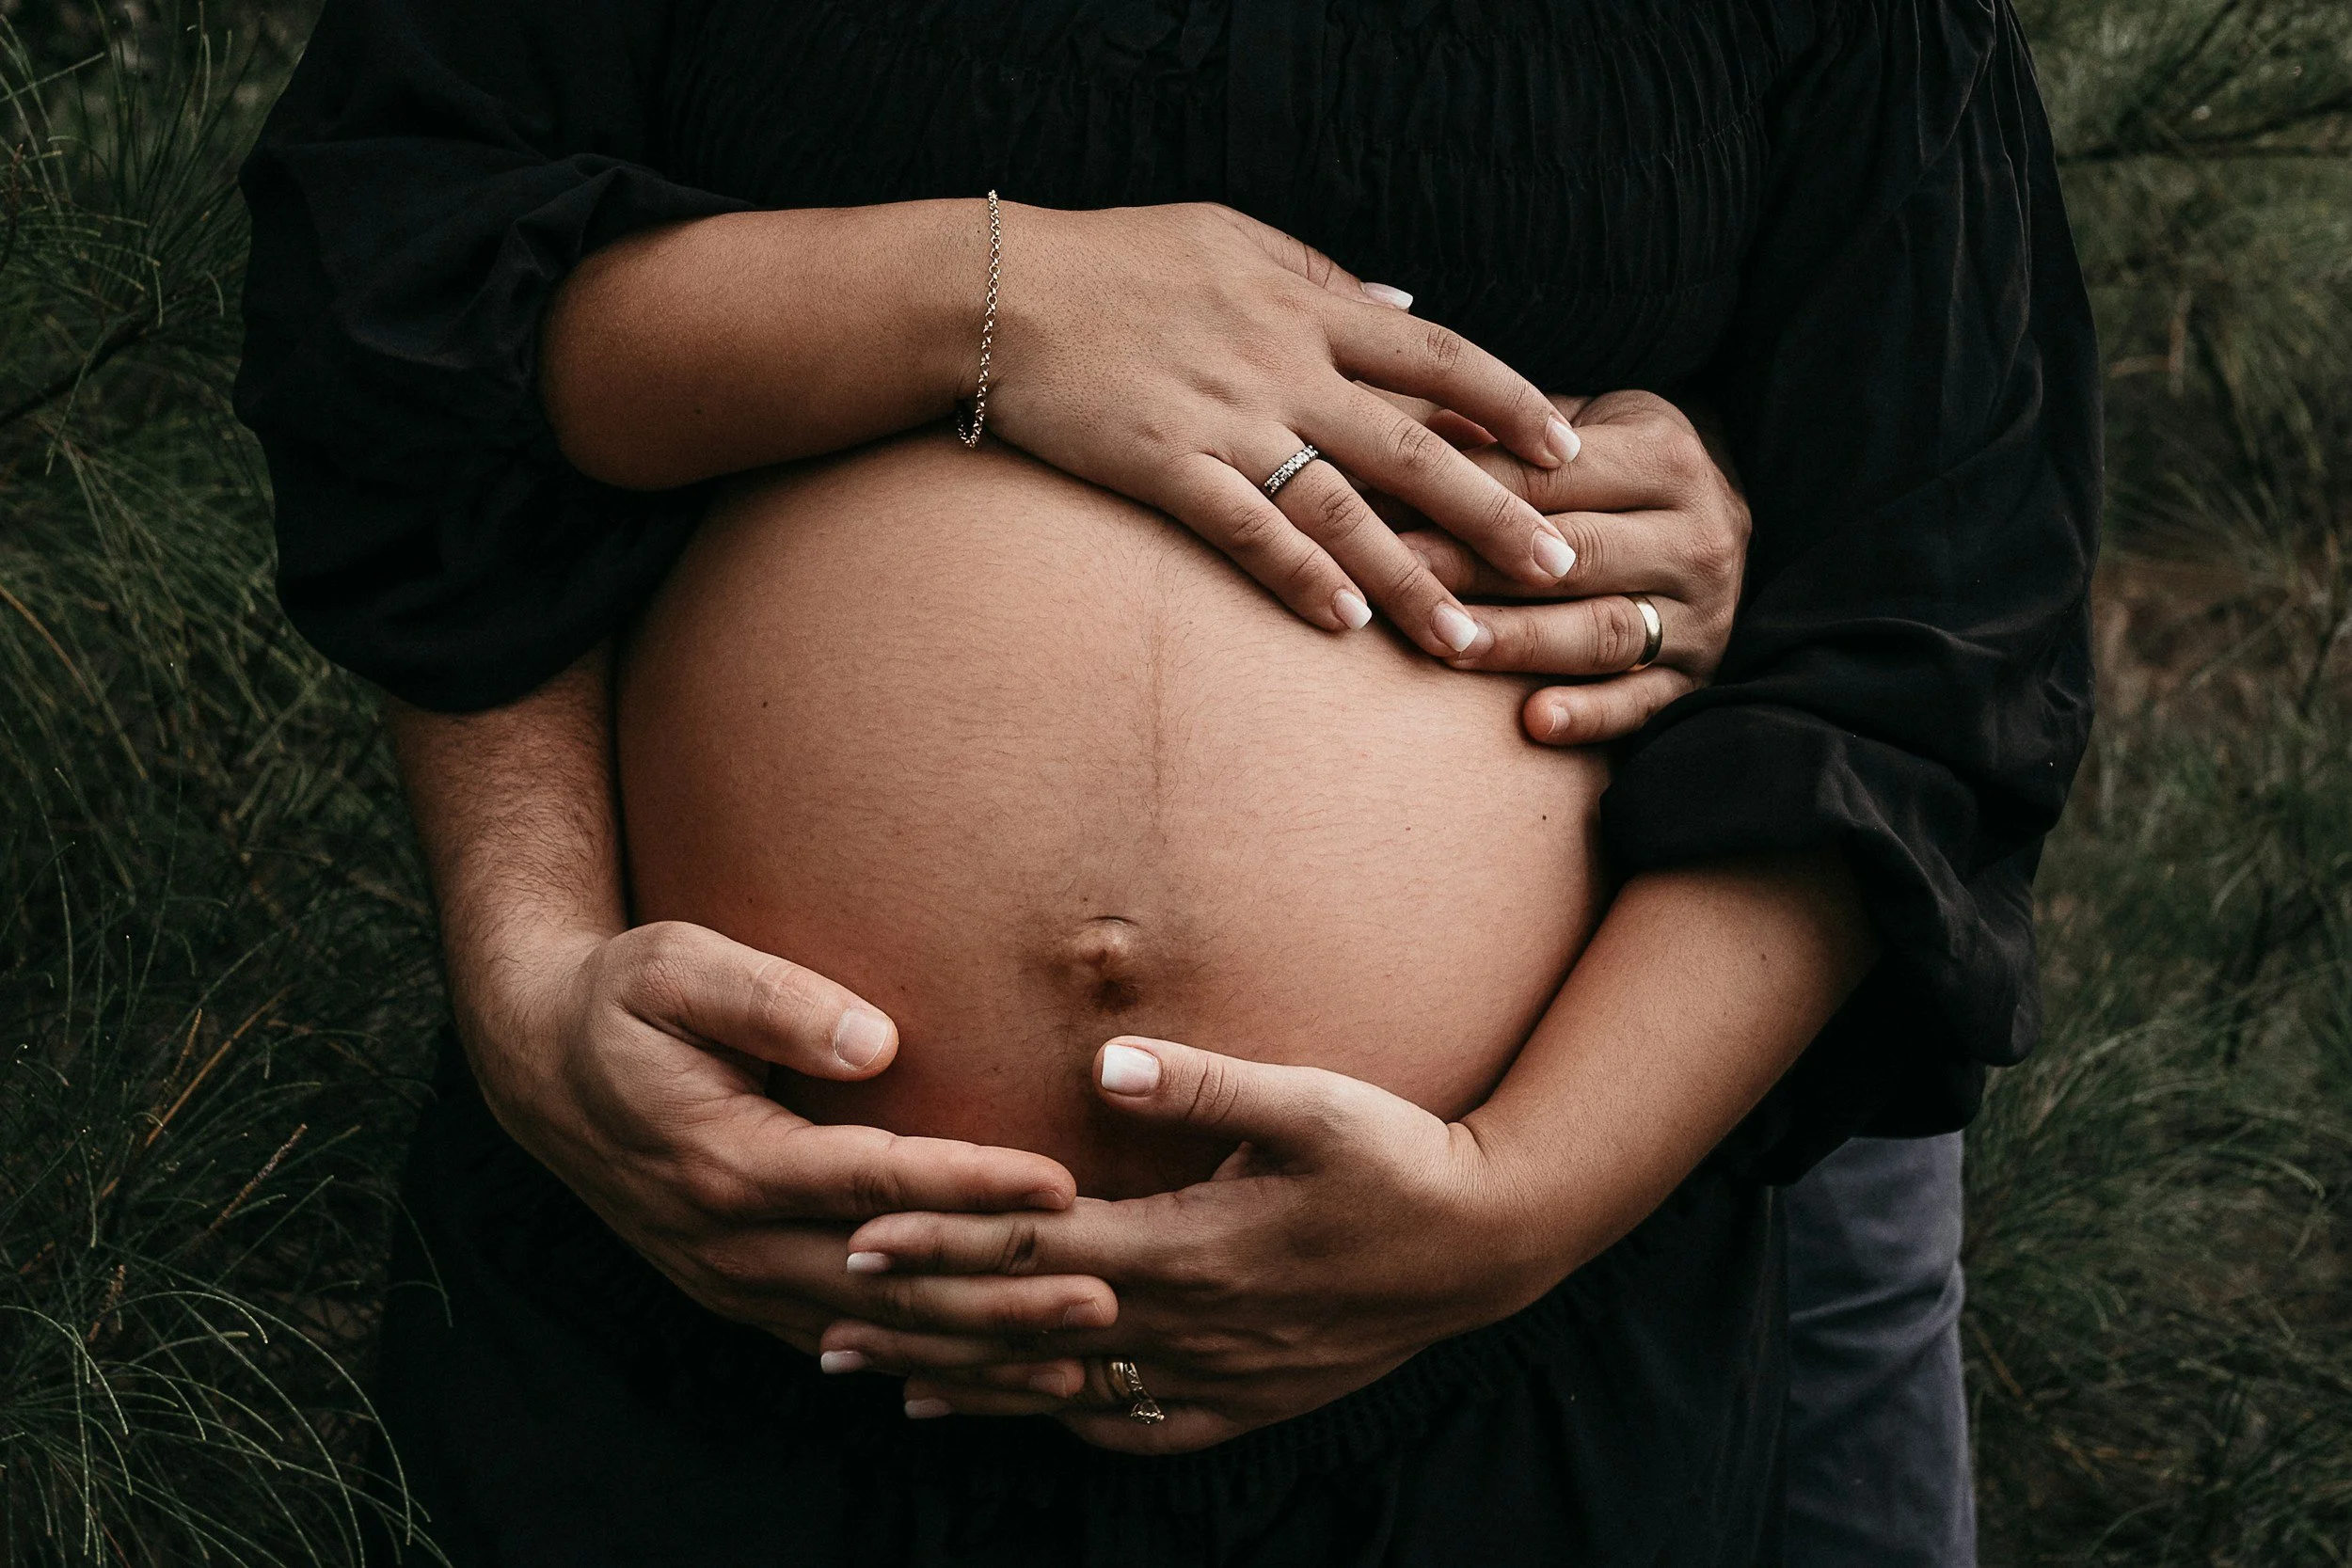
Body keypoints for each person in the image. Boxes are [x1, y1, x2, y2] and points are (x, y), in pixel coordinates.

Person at [233, 0, 2099, 1561]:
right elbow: (399, 330)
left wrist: (1509, 1203)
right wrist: (528, 972)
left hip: (1500, 1394)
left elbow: (1921, 617)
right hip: (682, 1335)